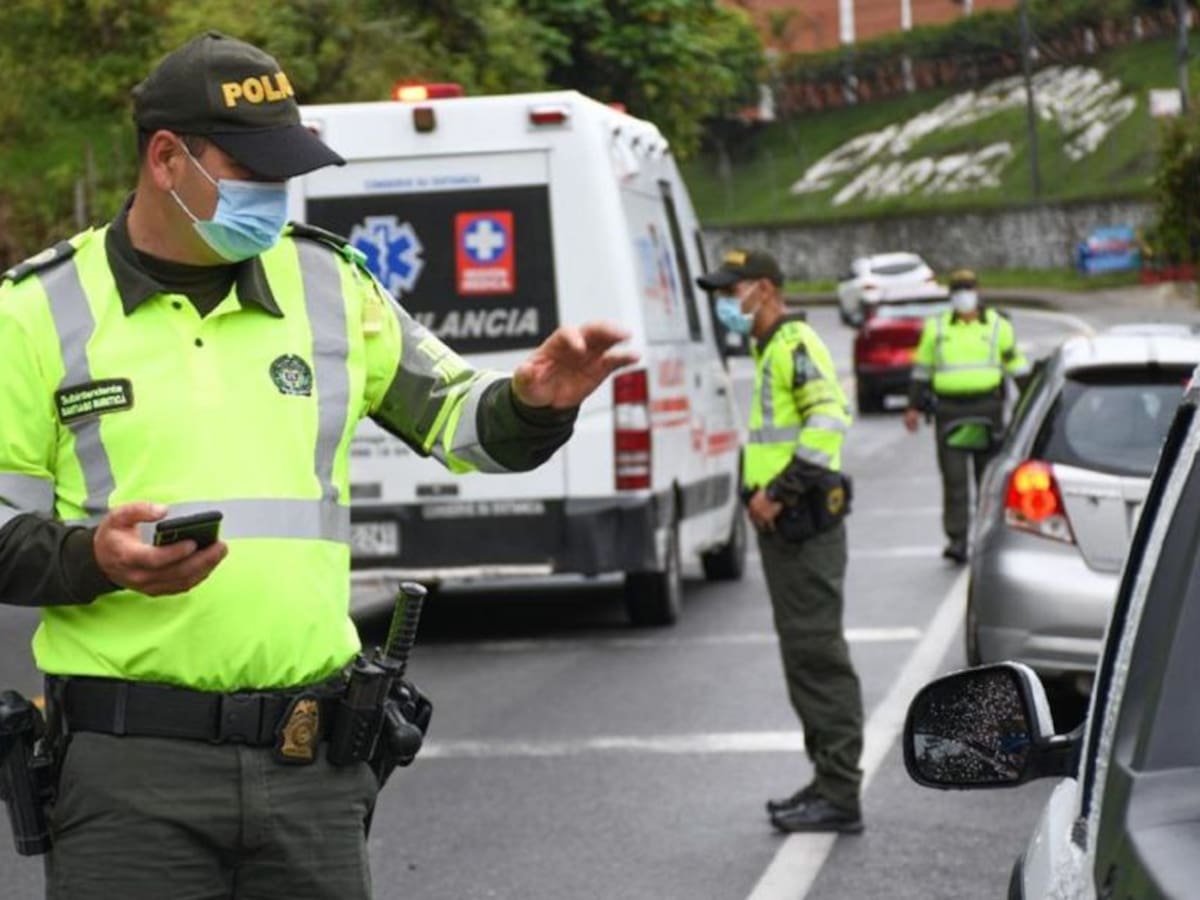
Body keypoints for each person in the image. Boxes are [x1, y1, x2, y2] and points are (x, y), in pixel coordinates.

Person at [0, 32, 636, 900]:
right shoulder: (36, 313)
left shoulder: (329, 284)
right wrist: (93, 558)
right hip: (129, 777)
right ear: (165, 159)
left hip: (310, 765)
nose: (274, 191)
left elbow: (457, 417)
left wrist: (534, 402)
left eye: (284, 169)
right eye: (253, 168)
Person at [698, 249, 865, 834]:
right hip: (788, 530)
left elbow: (828, 424)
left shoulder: (794, 346)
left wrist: (778, 492)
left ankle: (841, 793)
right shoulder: (769, 349)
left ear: (763, 289)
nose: (725, 303)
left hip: (804, 528)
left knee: (819, 658)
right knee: (804, 659)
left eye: (731, 290)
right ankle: (826, 781)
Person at [903, 269, 1029, 563]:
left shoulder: (999, 326)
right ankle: (958, 539)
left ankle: (988, 537)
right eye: (958, 289)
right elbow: (922, 371)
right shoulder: (936, 329)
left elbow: (1016, 366)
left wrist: (1029, 400)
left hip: (987, 411)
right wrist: (912, 407)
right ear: (951, 295)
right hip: (950, 413)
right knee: (955, 481)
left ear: (977, 291)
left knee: (987, 481)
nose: (963, 294)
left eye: (968, 288)